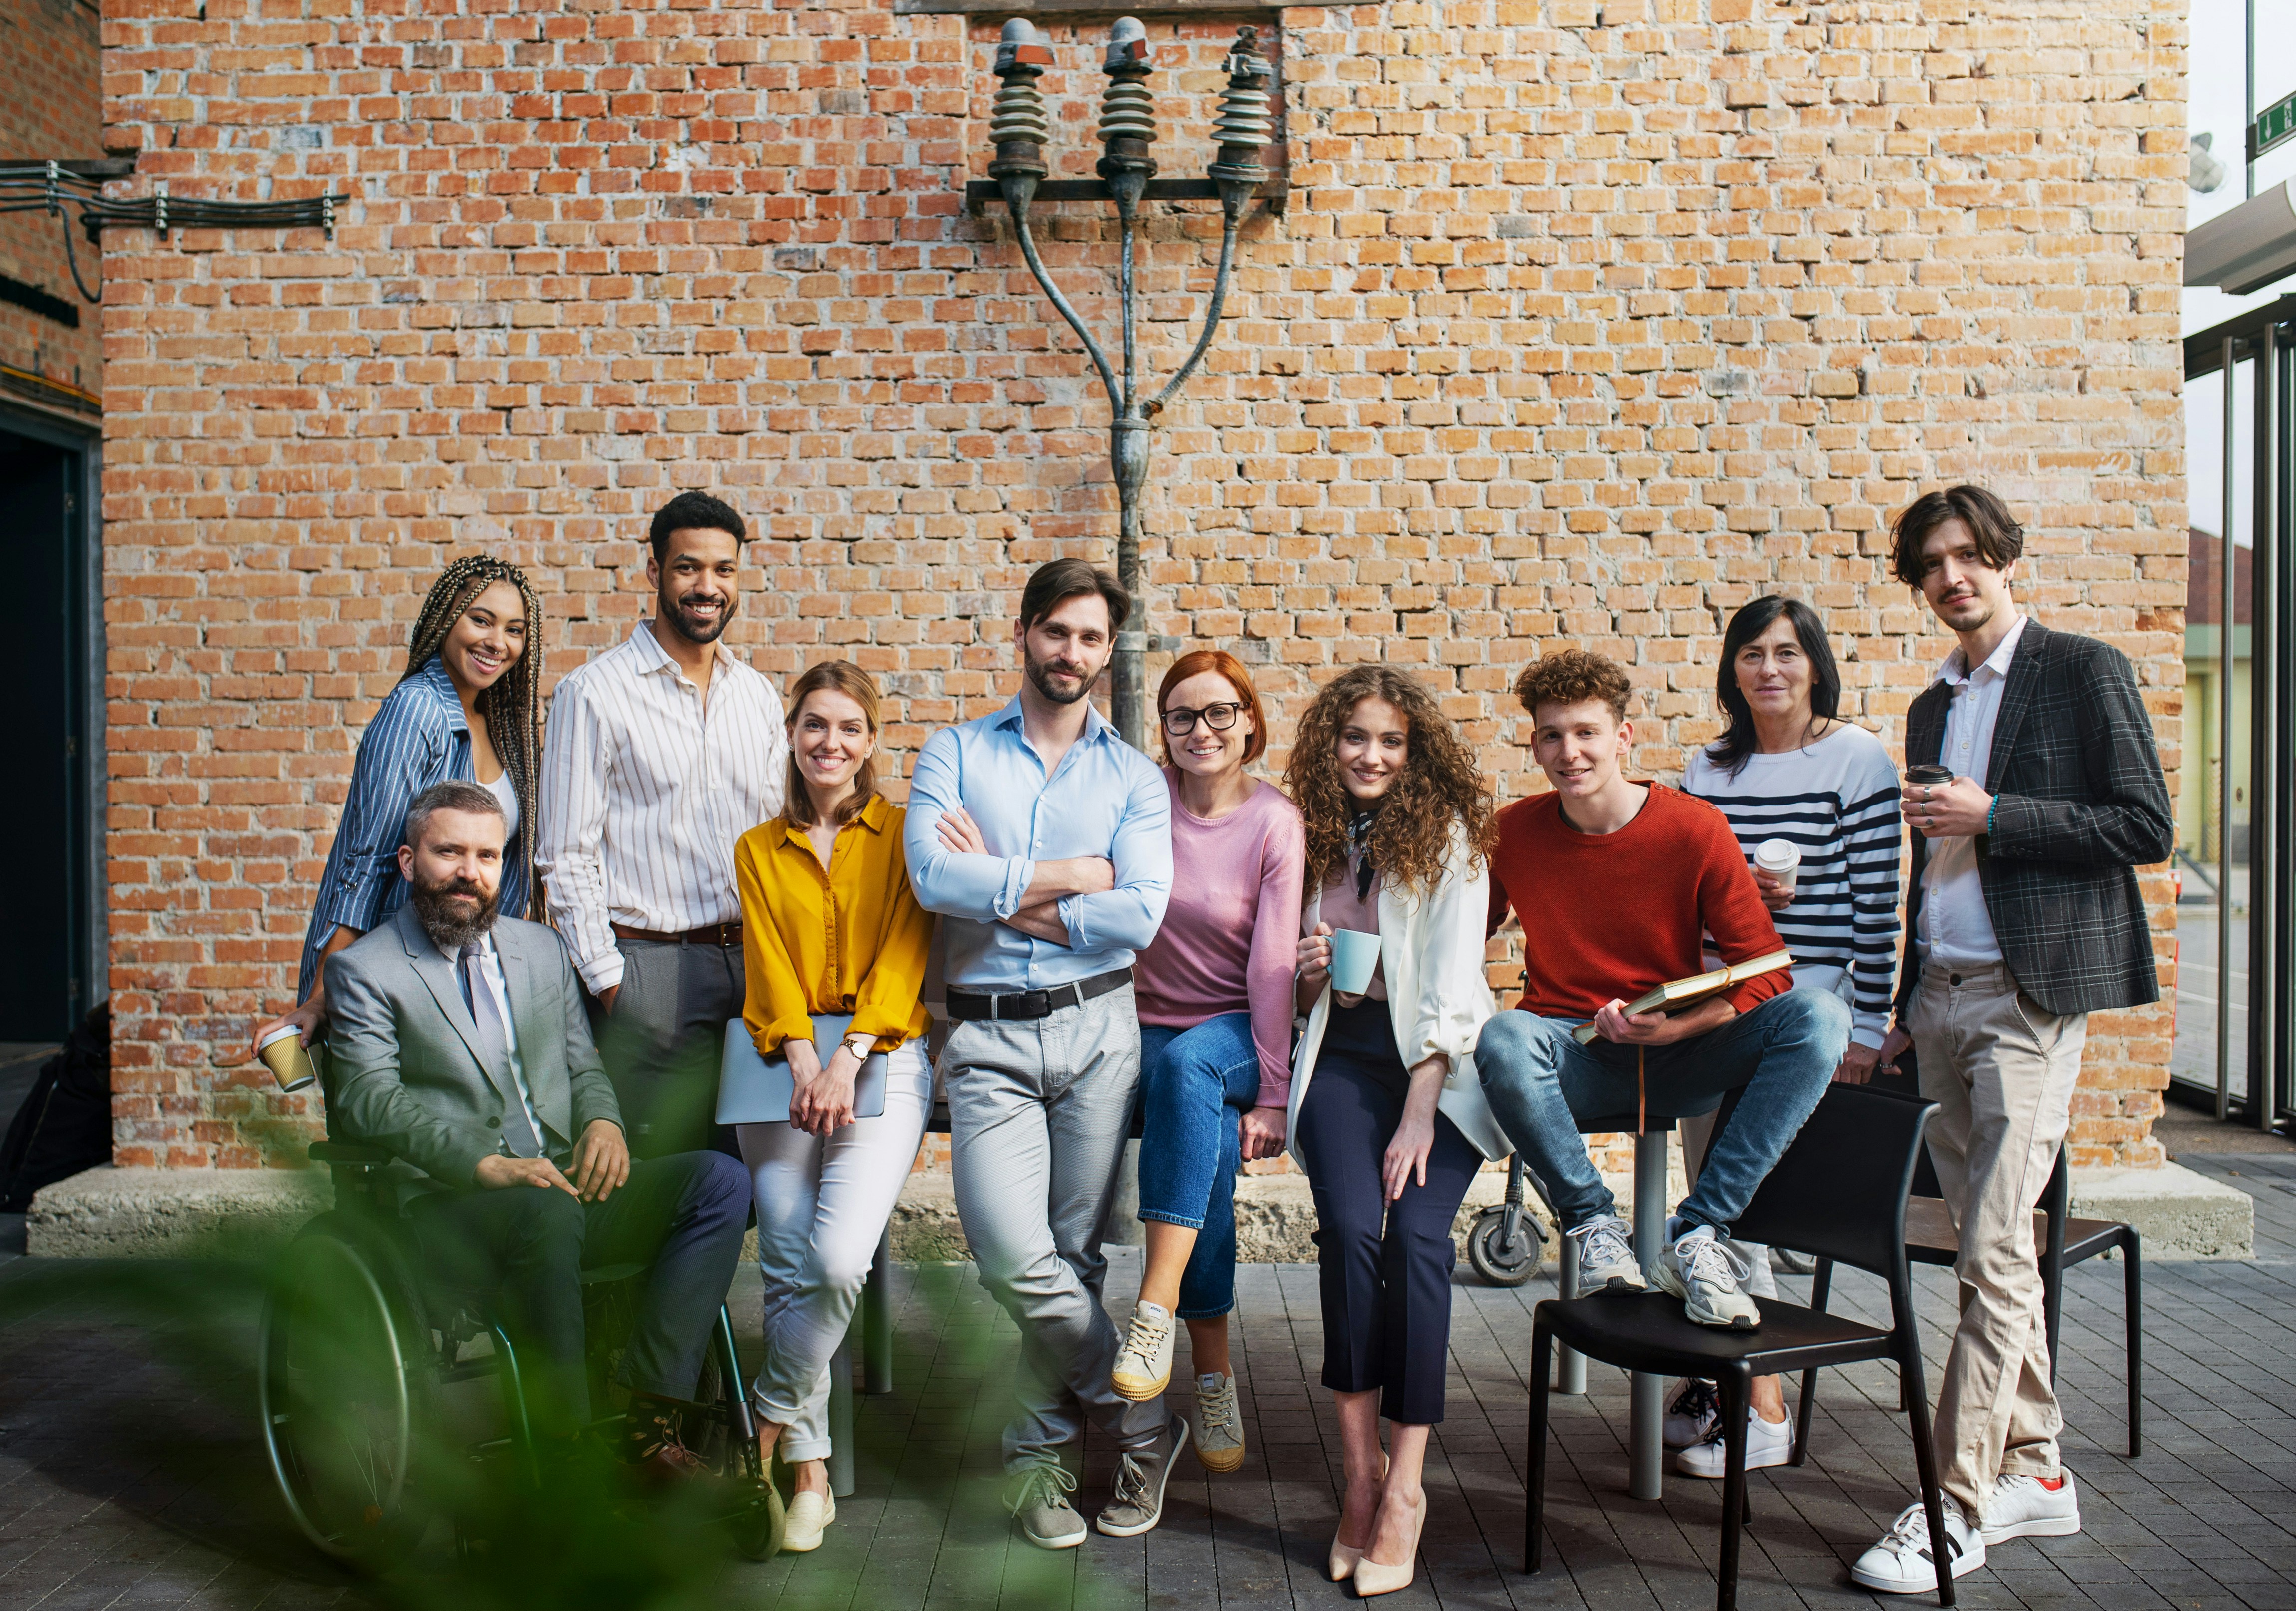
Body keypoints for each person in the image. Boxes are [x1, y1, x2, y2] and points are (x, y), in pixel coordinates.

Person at [1850, 487, 2172, 1596]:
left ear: (2002, 558)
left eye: (1969, 554)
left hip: (2029, 1003)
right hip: (1938, 995)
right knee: (1992, 1256)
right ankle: (2035, 1465)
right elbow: (1922, 869)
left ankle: (1952, 1504)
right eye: (1931, 563)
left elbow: (2143, 825)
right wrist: (1900, 1000)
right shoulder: (1929, 706)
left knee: (1992, 1249)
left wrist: (1999, 815)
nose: (1953, 576)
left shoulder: (2080, 671)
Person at [322, 781, 757, 1488]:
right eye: (449, 852)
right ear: (409, 861)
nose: (470, 870)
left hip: (561, 1186)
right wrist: (482, 1163)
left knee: (720, 1180)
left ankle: (647, 1429)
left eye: (487, 854)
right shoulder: (366, 970)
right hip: (455, 1211)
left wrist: (605, 1123)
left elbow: (584, 1064)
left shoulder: (541, 950)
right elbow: (371, 1098)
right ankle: (564, 1456)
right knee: (547, 1208)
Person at [903, 559, 1183, 1550]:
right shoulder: (953, 750)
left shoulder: (1134, 776)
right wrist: (1069, 877)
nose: (1072, 652)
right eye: (1056, 631)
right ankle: (1143, 1416)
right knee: (1011, 1252)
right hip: (983, 1035)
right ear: (1022, 633)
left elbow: (1140, 912)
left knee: (1072, 1254)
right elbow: (933, 873)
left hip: (1099, 1028)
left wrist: (1004, 886)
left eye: (1090, 638)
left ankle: (1036, 1459)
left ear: (1108, 652)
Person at [1474, 649, 1849, 1330]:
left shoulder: (1693, 828)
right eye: (1552, 735)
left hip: (1681, 1056)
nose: (1570, 751)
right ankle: (1591, 1225)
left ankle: (1700, 1233)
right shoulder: (1511, 832)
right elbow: (1462, 940)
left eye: (1586, 732)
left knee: (1819, 1016)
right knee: (1503, 1033)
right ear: (1533, 744)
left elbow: (1765, 967)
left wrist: (1678, 1027)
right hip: (1574, 1056)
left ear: (1621, 738)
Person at [1663, 596, 1903, 1478]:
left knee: (1745, 1216)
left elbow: (1877, 908)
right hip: (1721, 1016)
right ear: (1731, 670)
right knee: (1713, 1216)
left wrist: (1864, 1028)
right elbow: (1680, 892)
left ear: (1814, 665)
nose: (1769, 669)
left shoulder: (1856, 761)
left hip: (1810, 1023)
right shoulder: (1707, 767)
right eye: (1752, 654)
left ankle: (1759, 1409)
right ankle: (1723, 1381)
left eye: (1788, 653)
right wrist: (1728, 899)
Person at [1284, 666, 1510, 1599]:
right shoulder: (1309, 832)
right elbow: (1300, 987)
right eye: (1354, 738)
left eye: (1390, 741)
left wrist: (1419, 1113)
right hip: (1341, 1054)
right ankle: (1358, 1477)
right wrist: (1303, 972)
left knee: (1415, 1240)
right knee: (1346, 1230)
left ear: (1415, 751)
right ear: (1328, 745)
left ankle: (1408, 1488)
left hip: (1438, 1071)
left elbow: (1456, 990)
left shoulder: (1450, 837)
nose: (1370, 756)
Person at [731, 661, 934, 1554]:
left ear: (871, 740)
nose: (831, 743)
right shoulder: (755, 847)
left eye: (850, 727)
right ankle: (808, 1477)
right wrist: (808, 1061)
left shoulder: (901, 834)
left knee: (838, 1254)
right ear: (792, 731)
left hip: (881, 1052)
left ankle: (759, 1431)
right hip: (775, 1057)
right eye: (816, 724)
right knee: (782, 1253)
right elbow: (767, 968)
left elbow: (905, 951)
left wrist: (847, 1057)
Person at [535, 491, 788, 1158]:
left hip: (751, 966)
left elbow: (774, 835)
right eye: (688, 568)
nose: (708, 587)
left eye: (724, 570)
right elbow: (564, 853)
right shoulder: (594, 692)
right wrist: (612, 983)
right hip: (648, 961)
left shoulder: (757, 696)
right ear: (654, 573)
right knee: (658, 1173)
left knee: (745, 1168)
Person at [1108, 651, 1303, 1476]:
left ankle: (1151, 1311)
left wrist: (1269, 1087)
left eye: (1220, 713)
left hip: (1232, 1027)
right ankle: (1212, 1373)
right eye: (1183, 715)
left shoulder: (1274, 821)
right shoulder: (1137, 798)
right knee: (1210, 1151)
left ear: (1249, 723)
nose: (1202, 730)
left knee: (1191, 1070)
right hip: (1136, 1022)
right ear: (1163, 728)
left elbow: (1270, 968)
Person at [255, 556, 544, 1056]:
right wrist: (323, 996)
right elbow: (365, 863)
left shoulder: (501, 727)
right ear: (446, 618)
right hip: (398, 974)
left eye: (514, 629)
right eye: (481, 620)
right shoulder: (417, 710)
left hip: (471, 971)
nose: (498, 642)